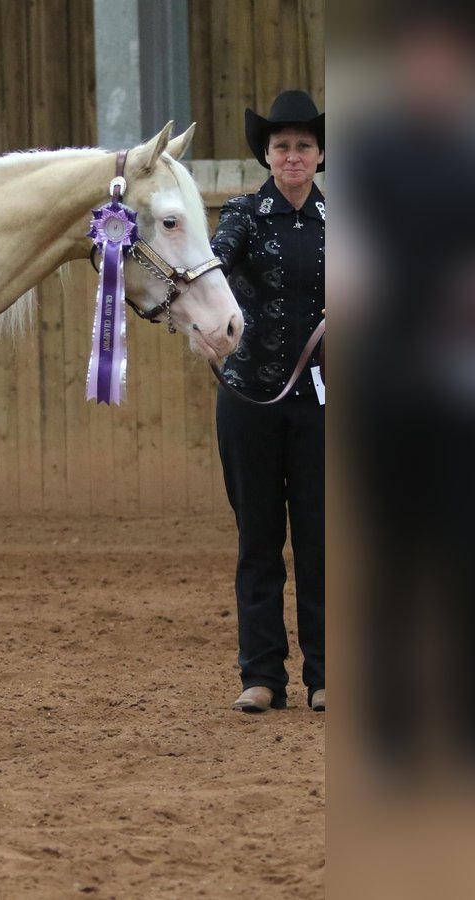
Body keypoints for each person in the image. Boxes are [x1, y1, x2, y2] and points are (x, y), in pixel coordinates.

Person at [210, 90, 326, 714]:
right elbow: (209, 268)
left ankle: (324, 675)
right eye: (282, 146)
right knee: (259, 538)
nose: (292, 156)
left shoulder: (344, 223)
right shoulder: (242, 216)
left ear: (320, 154)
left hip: (323, 404)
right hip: (249, 397)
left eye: (303, 146)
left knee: (321, 538)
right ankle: (261, 676)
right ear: (267, 154)